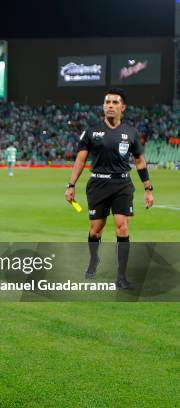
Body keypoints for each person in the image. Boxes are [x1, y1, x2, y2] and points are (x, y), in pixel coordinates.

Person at [64, 88, 154, 290]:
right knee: (96, 231)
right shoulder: (91, 131)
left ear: (123, 107)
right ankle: (94, 260)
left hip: (122, 184)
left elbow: (139, 161)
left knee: (122, 227)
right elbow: (80, 160)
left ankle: (121, 276)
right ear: (103, 106)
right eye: (107, 102)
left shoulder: (131, 132)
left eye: (114, 102)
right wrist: (71, 185)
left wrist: (148, 188)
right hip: (98, 184)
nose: (110, 106)